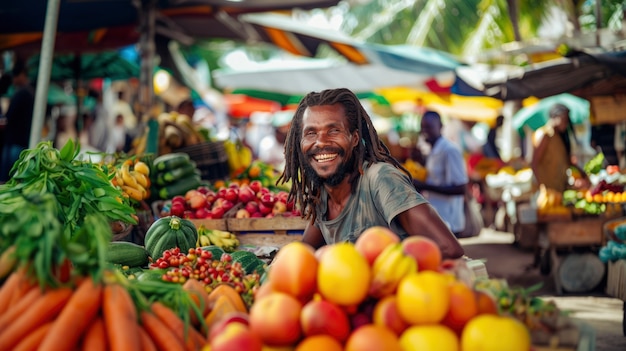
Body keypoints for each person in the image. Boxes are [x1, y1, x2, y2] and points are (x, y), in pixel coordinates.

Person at [277, 88, 464, 259]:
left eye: (333, 131)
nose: (320, 142)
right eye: (311, 133)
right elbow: (303, 254)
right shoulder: (324, 194)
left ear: (355, 138)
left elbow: (448, 248)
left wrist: (378, 273)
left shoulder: (380, 178)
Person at [413, 111, 469, 238]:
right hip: (437, 218)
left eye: (429, 127)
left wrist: (425, 186)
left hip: (449, 221)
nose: (424, 131)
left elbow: (460, 188)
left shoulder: (450, 150)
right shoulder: (433, 150)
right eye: (423, 127)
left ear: (440, 127)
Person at [531, 103, 588, 193]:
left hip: (559, 189)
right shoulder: (545, 134)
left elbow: (566, 160)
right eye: (564, 119)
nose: (566, 123)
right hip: (548, 191)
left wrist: (582, 173)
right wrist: (541, 187)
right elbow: (534, 163)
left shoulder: (559, 137)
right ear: (555, 117)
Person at [0, 59, 34, 182]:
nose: (13, 80)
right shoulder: (29, 92)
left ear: (22, 75)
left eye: (15, 76)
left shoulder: (22, 93)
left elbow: (9, 117)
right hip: (21, 140)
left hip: (15, 141)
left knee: (8, 179)